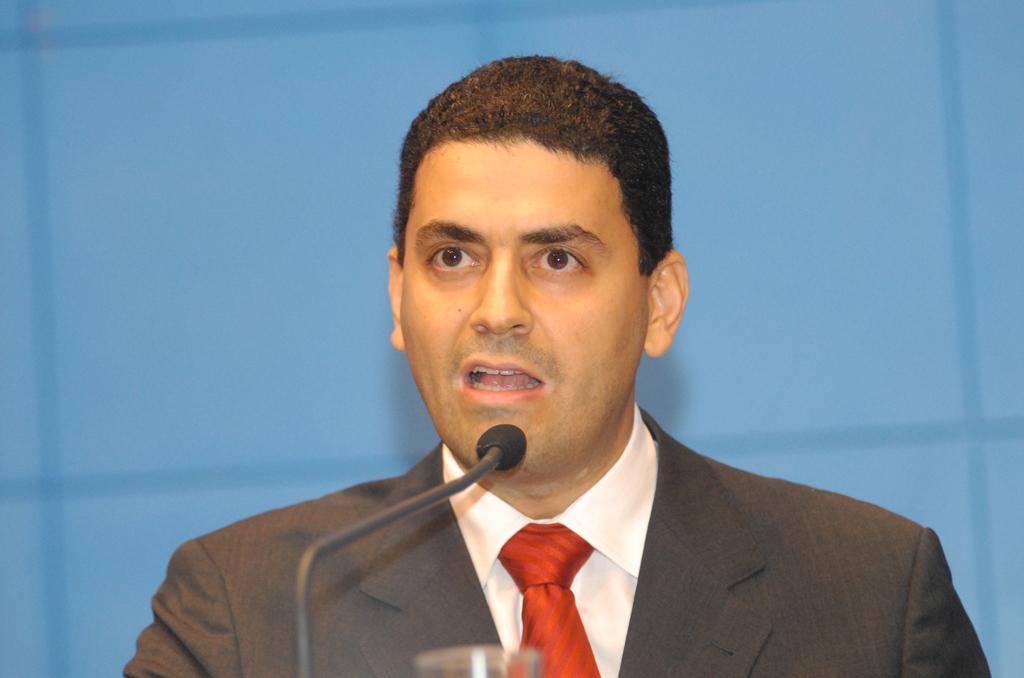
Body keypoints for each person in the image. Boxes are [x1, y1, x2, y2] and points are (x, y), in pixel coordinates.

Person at [125, 56, 988, 677]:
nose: (496, 309)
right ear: (397, 295)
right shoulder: (250, 611)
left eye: (558, 260)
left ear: (660, 304)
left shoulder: (870, 593)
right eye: (452, 258)